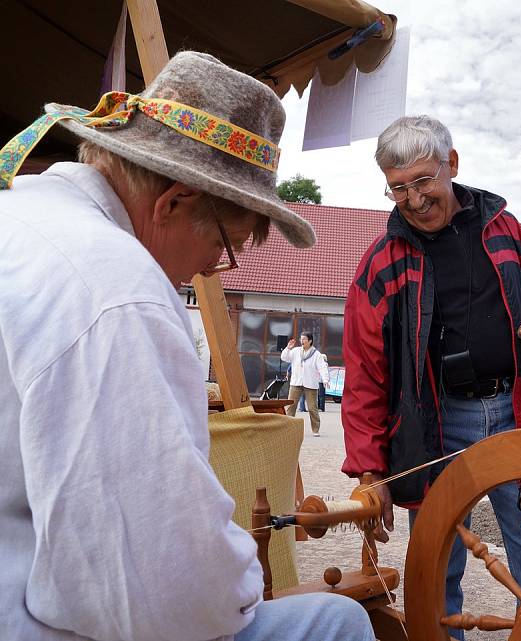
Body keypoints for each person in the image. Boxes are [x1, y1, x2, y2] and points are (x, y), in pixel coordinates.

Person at [0, 51, 373, 641]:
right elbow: (161, 586)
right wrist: (236, 583)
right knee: (337, 622)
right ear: (173, 201)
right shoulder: (117, 287)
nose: (215, 267)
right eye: (229, 245)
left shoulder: (17, 214)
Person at [341, 115, 521, 637]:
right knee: (437, 563)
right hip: (436, 424)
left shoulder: (502, 226)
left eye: (424, 181)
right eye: (398, 188)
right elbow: (364, 373)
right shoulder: (382, 262)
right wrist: (369, 471)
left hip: (515, 408)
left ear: (453, 165)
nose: (414, 200)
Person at [281, 333, 329, 436]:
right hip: (296, 382)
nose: (302, 341)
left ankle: (315, 429)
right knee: (290, 406)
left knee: (312, 408)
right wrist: (288, 348)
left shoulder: (316, 354)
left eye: (304, 339)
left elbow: (322, 367)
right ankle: (287, 428)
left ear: (310, 341)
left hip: (310, 384)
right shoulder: (296, 351)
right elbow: (284, 358)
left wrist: (325, 380)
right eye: (301, 339)